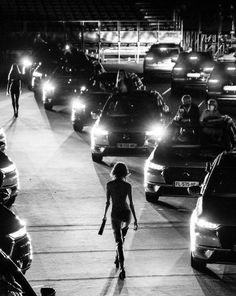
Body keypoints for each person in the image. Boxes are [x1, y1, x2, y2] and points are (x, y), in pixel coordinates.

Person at [103, 162, 138, 280]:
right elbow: (131, 203)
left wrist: (104, 215)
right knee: (122, 238)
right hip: (126, 214)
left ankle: (122, 268)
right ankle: (117, 258)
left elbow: (108, 202)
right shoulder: (128, 186)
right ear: (125, 173)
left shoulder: (109, 185)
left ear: (114, 172)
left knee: (118, 241)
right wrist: (135, 219)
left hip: (115, 214)